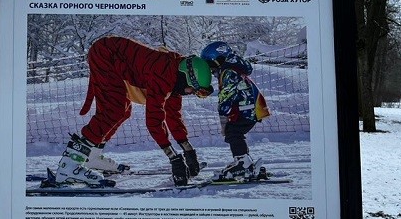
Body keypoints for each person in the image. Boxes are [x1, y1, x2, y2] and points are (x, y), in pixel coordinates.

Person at [52, 36, 213, 187]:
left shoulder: (175, 76)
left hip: (114, 59)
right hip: (105, 53)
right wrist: (174, 158)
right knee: (113, 110)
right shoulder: (163, 74)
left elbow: (173, 116)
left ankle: (91, 157)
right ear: (186, 76)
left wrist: (188, 151)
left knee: (123, 111)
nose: (191, 92)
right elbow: (154, 121)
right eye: (193, 89)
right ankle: (69, 166)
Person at [200, 41, 270, 181]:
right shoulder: (231, 69)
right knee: (235, 132)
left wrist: (223, 111)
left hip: (248, 110)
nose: (211, 70)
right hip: (248, 109)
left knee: (233, 132)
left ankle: (243, 164)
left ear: (219, 59)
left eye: (211, 64)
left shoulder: (229, 72)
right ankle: (244, 161)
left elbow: (227, 94)